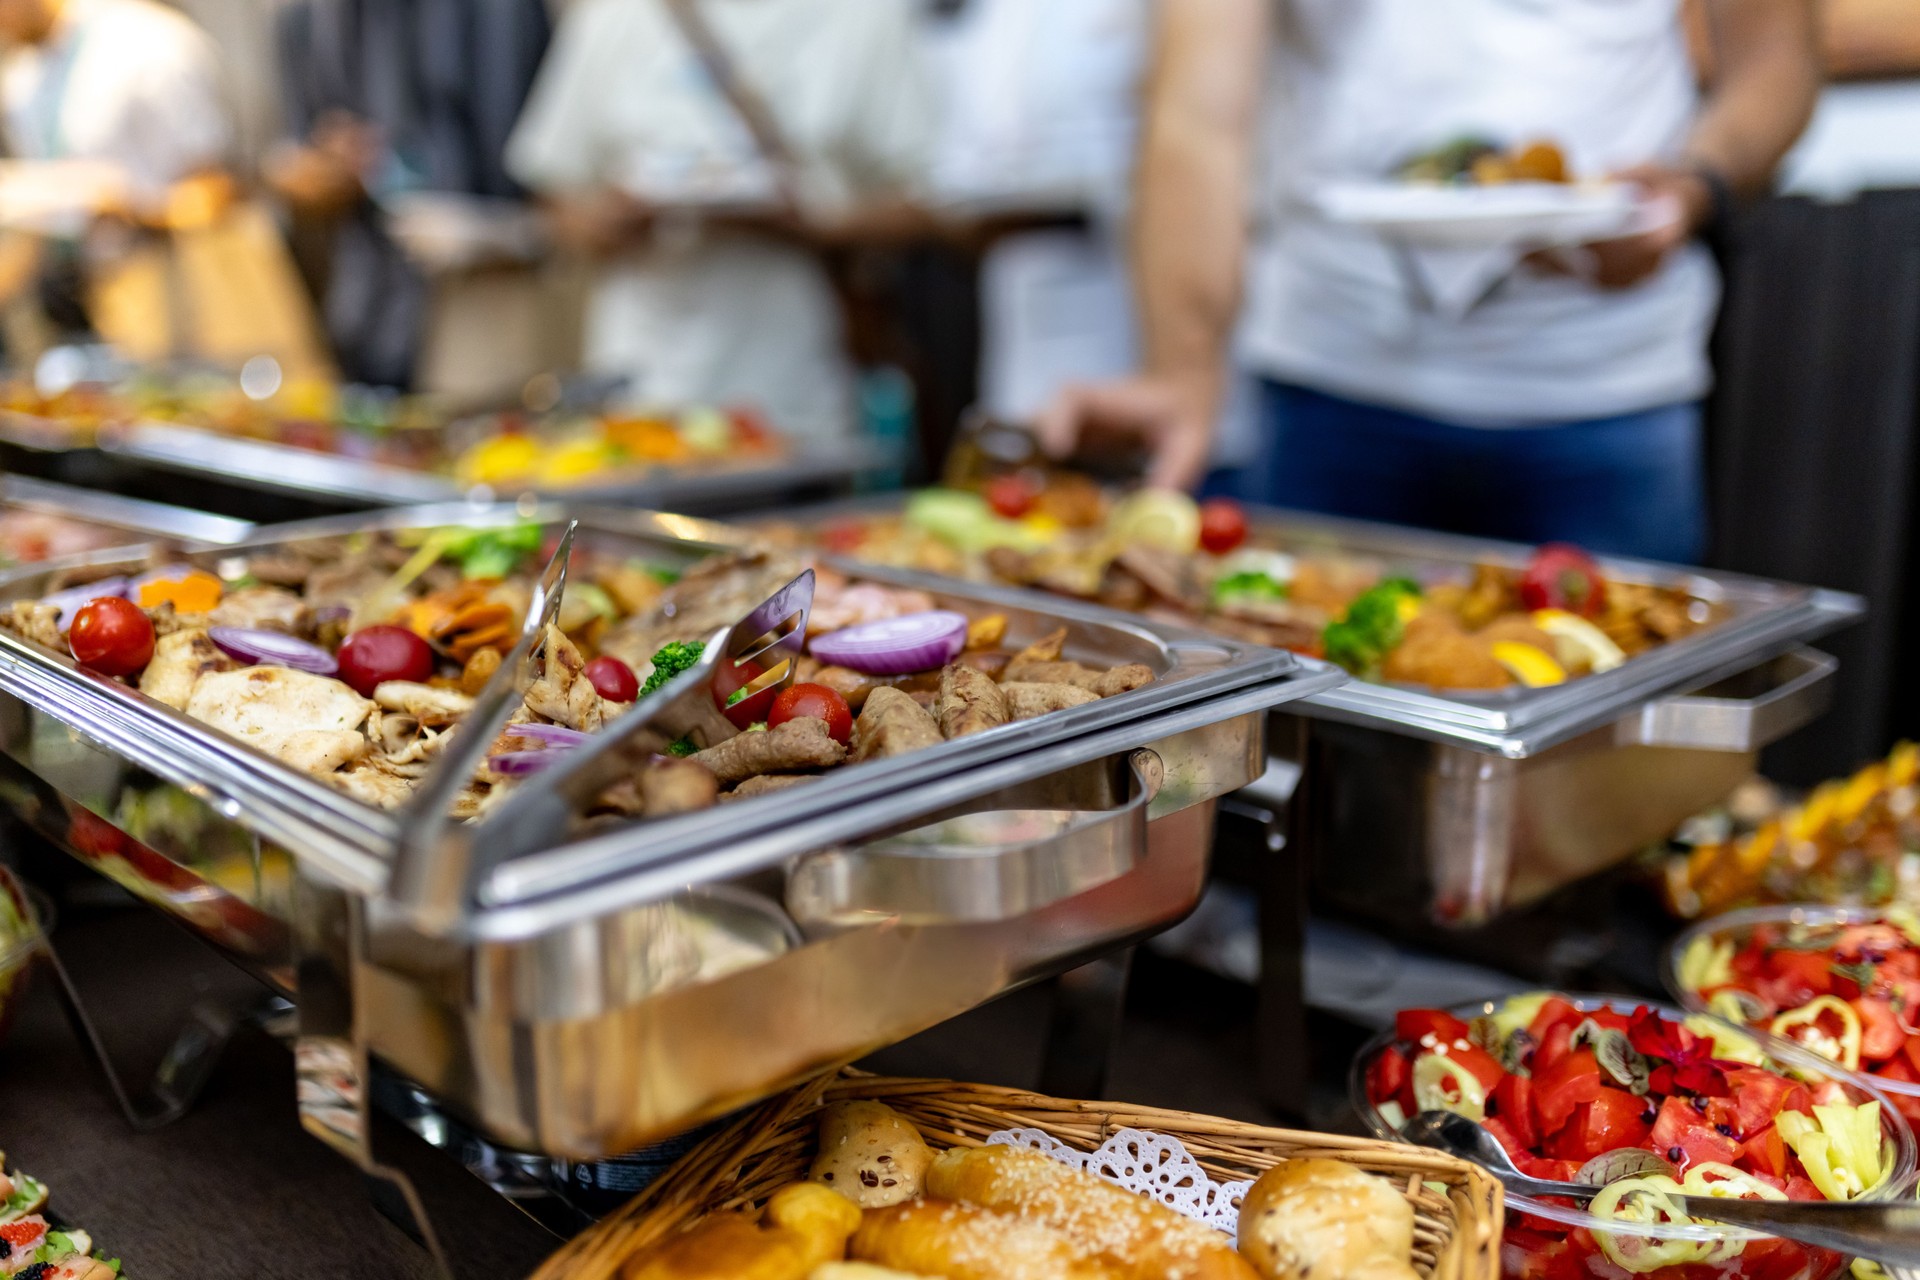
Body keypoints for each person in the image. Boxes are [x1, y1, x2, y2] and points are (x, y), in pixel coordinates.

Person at [1037, 0, 1822, 563]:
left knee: (1614, 755)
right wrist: (1183, 369)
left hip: (1609, 383)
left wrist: (1695, 185)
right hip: (1332, 373)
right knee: (1307, 747)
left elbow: (1776, 60)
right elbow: (1198, 114)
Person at [504, 0, 933, 446]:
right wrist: (612, 220)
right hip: (640, 394)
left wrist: (817, 223)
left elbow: (928, 207)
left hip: (799, 395)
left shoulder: (863, 15)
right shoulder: (618, 15)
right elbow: (554, 198)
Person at [266, 0, 553, 389]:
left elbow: (560, 191)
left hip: (481, 317)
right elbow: (295, 169)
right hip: (363, 312)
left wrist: (498, 233)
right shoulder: (310, 19)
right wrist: (320, 173)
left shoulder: (498, 13)